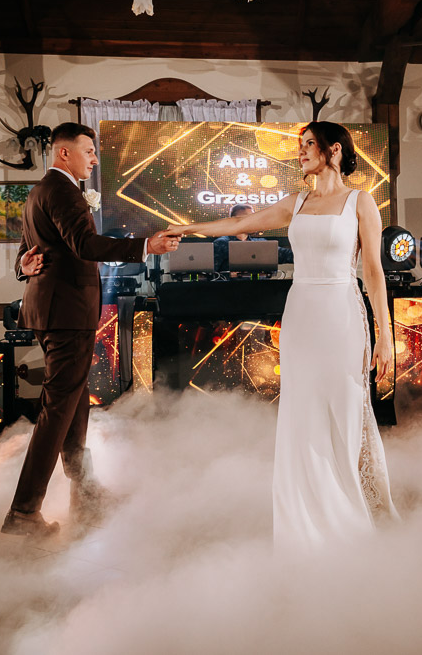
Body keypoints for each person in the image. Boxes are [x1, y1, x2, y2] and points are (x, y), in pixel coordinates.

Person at [167, 121, 399, 548]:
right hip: (302, 314)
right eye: (300, 145)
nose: (301, 151)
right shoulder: (296, 202)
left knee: (344, 407)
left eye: (309, 144)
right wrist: (185, 230)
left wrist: (386, 336)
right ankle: (305, 516)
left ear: (334, 149)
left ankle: (349, 509)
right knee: (302, 410)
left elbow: (373, 272)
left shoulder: (360, 202)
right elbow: (238, 224)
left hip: (343, 314)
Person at [3, 122, 181, 537]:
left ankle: (84, 494)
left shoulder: (40, 191)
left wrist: (21, 267)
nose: (95, 159)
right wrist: (145, 246)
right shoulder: (62, 190)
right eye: (89, 151)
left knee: (74, 402)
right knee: (58, 409)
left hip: (55, 310)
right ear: (63, 152)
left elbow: (27, 250)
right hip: (65, 313)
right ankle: (23, 513)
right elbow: (84, 245)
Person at [212, 204, 294, 271]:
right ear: (236, 220)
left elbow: (287, 255)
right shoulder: (221, 244)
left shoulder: (261, 243)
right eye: (251, 218)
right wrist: (229, 275)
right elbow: (211, 275)